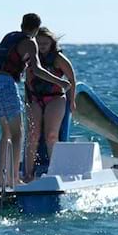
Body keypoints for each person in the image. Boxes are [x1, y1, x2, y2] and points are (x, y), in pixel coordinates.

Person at [0, 13, 71, 187]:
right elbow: (38, 69)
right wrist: (59, 81)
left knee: (6, 133)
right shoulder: (30, 41)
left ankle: (0, 177)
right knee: (18, 134)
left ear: (21, 25)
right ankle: (13, 178)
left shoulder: (9, 38)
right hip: (6, 83)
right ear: (36, 29)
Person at [23, 27, 77, 182]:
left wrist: (72, 100)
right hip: (35, 98)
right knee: (33, 135)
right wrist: (27, 101)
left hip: (55, 98)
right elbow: (27, 82)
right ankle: (28, 173)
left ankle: (54, 171)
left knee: (51, 136)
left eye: (45, 43)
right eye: (38, 43)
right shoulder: (31, 58)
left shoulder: (58, 59)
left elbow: (72, 79)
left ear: (52, 43)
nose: (42, 46)